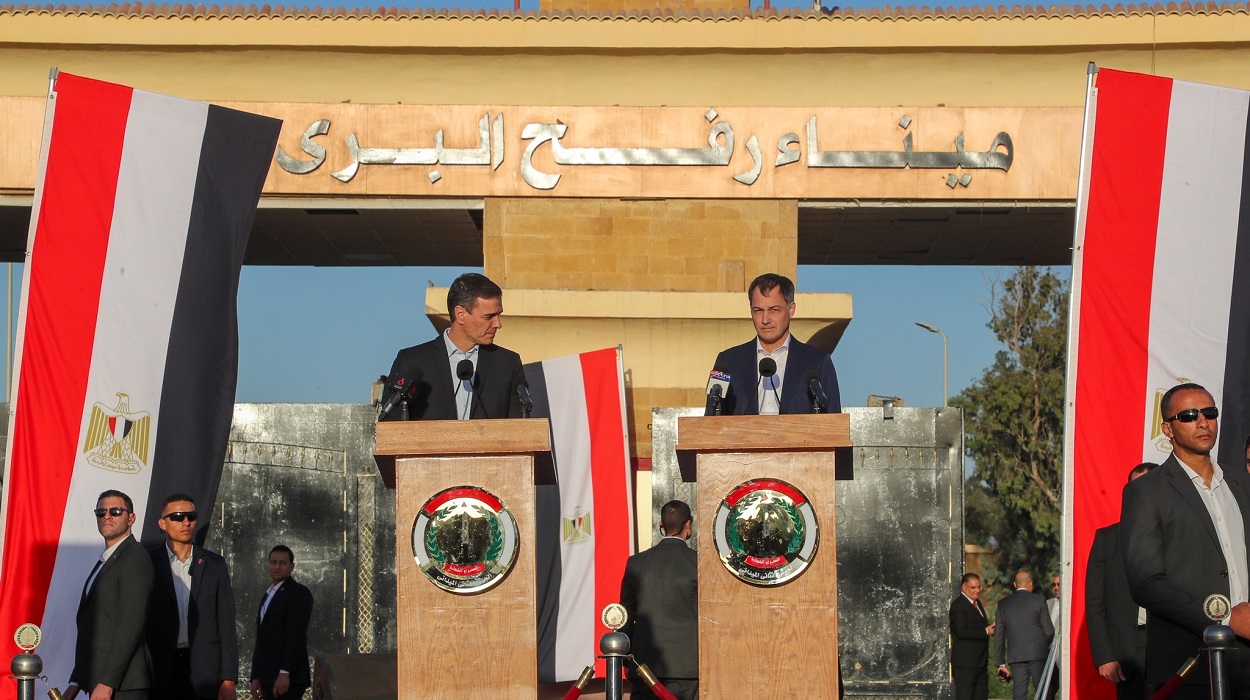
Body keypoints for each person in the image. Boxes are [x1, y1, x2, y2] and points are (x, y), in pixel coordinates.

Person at [1122, 383, 1250, 698]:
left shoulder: (1241, 484)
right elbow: (1146, 582)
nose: (1203, 421)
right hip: (1188, 662)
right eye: (1189, 415)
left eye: (1210, 413)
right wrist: (1226, 616)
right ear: (1167, 428)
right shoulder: (1147, 491)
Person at [379, 272, 526, 420]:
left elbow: (520, 428)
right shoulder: (412, 362)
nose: (498, 324)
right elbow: (390, 424)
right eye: (489, 316)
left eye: (498, 315)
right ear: (460, 314)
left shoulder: (508, 364)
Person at [704, 272, 840, 416]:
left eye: (774, 310)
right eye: (758, 311)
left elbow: (834, 422)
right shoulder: (727, 363)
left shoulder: (817, 363)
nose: (765, 319)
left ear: (791, 309)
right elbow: (711, 420)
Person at [146, 493, 239, 700]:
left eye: (191, 516)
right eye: (178, 516)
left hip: (205, 674)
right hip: (159, 674)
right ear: (163, 523)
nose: (186, 522)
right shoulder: (147, 564)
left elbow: (226, 624)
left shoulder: (215, 565)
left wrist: (229, 679)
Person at [66, 490, 155, 700]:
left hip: (123, 685)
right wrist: (76, 680)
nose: (107, 516)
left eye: (115, 511)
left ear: (131, 518)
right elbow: (98, 627)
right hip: (102, 681)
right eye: (101, 512)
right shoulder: (107, 560)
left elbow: (130, 625)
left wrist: (107, 682)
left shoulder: (134, 558)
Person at [1086, 462, 1157, 700]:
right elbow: (1094, 603)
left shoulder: (1181, 535)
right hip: (1128, 650)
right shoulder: (1107, 539)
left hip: (1171, 644)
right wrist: (1105, 655)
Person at [619, 500, 698, 700]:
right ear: (688, 525)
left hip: (644, 663)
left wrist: (626, 656)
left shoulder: (635, 563)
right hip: (687, 666)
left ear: (661, 525)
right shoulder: (697, 563)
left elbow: (625, 615)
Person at [249, 545, 313, 700]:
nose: (277, 566)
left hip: (287, 680)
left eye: (283, 563)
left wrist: (285, 672)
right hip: (268, 677)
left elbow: (295, 635)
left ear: (292, 567)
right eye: (273, 562)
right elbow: (262, 638)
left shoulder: (298, 593)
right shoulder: (268, 595)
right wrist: (256, 676)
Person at [994, 571, 1055, 700]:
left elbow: (999, 635)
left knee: (1019, 694)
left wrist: (1001, 664)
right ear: (1030, 584)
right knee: (1043, 692)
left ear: (1015, 584)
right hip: (1038, 654)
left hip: (1016, 656)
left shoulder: (1003, 604)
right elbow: (1049, 631)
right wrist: (1043, 646)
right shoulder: (1039, 601)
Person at [949, 572, 994, 700]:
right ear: (964, 587)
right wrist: (985, 632)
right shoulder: (959, 605)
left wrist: (991, 629)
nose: (977, 591)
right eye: (973, 587)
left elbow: (978, 626)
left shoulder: (978, 604)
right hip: (966, 665)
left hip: (979, 663)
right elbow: (961, 631)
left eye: (979, 587)